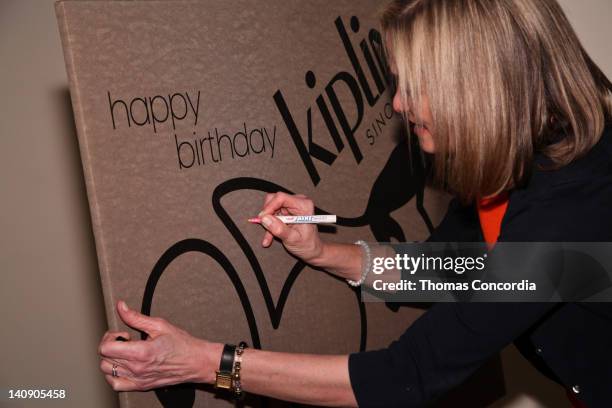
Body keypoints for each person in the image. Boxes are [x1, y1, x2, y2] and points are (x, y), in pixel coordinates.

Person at [98, 0, 612, 406]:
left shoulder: (571, 211)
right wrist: (324, 252)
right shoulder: (524, 151)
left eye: (415, 85)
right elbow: (457, 270)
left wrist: (204, 363)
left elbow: (406, 375)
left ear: (479, 84)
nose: (398, 104)